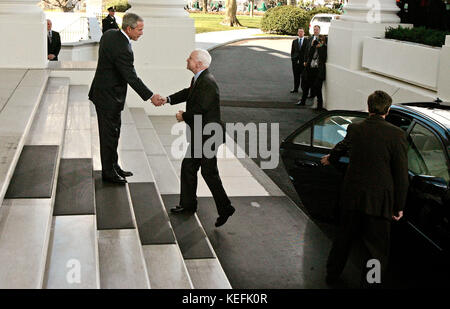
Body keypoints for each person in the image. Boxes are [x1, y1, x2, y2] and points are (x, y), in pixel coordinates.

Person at [321, 91, 409, 287]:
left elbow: (341, 147)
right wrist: (399, 206)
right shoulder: (397, 135)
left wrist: (331, 158)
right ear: (388, 109)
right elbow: (402, 175)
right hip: (379, 202)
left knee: (343, 240)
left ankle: (332, 275)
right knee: (375, 250)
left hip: (352, 196)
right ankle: (370, 283)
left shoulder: (355, 129)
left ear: (369, 107)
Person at [156, 49, 235, 228]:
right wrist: (167, 99)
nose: (187, 60)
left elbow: (202, 109)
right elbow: (188, 93)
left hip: (209, 135)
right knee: (190, 167)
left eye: (190, 58)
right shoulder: (199, 79)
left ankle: (225, 207)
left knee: (208, 172)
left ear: (199, 63)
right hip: (203, 134)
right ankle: (189, 205)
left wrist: (183, 116)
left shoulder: (207, 82)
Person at [89, 13, 163, 184]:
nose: (142, 33)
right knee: (109, 135)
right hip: (109, 97)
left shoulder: (110, 34)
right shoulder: (123, 48)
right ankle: (108, 172)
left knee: (114, 133)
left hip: (104, 94)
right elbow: (131, 77)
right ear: (129, 29)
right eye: (139, 29)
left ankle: (114, 166)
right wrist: (151, 96)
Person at [297, 35, 327, 109]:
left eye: (321, 41)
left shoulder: (324, 49)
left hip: (318, 71)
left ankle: (319, 105)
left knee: (317, 88)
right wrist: (314, 46)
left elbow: (323, 57)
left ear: (323, 42)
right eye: (318, 41)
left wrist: (319, 48)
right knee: (305, 86)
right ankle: (302, 101)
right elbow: (309, 56)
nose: (319, 42)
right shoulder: (313, 47)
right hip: (310, 70)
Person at [290, 28, 307, 94]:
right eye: (299, 32)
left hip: (303, 62)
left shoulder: (306, 41)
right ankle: (295, 88)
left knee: (303, 77)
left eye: (302, 32)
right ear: (297, 33)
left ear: (304, 33)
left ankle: (304, 89)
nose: (300, 33)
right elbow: (292, 51)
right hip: (295, 62)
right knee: (296, 76)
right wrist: (293, 59)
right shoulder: (294, 41)